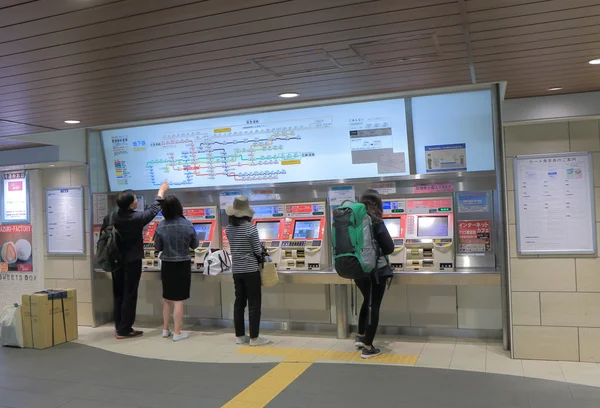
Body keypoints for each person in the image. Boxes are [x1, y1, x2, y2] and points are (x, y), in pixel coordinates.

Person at [102, 181, 168, 339]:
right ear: (131, 204)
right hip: (132, 261)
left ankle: (119, 326)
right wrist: (161, 191)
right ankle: (125, 329)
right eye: (135, 199)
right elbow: (154, 209)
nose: (137, 200)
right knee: (130, 294)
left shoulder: (110, 217)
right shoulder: (135, 218)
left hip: (115, 260)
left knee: (118, 293)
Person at [354, 189, 395, 358]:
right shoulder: (376, 221)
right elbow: (389, 247)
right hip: (376, 271)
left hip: (358, 269)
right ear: (378, 204)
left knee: (367, 300)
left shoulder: (355, 221)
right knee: (373, 305)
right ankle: (368, 347)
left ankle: (361, 335)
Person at [225, 196, 270, 346]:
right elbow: (257, 250)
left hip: (236, 270)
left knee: (239, 303)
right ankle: (255, 338)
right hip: (251, 270)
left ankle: (239, 336)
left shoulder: (229, 229)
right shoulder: (250, 228)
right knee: (254, 304)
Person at [154, 195, 199, 342]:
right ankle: (177, 332)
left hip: (166, 264)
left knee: (167, 298)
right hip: (182, 264)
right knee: (179, 299)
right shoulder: (187, 224)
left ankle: (165, 329)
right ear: (179, 208)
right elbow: (195, 245)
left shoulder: (160, 226)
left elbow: (157, 247)